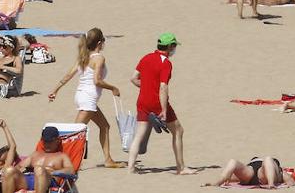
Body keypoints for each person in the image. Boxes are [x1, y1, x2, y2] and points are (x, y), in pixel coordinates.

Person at [46, 28, 125, 168]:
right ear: (100, 42)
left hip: (82, 96)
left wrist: (55, 90)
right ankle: (61, 161)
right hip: (88, 98)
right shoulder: (99, 58)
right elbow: (97, 81)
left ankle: (108, 159)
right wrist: (113, 88)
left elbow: (68, 75)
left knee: (105, 126)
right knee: (74, 132)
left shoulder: (84, 57)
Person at [128, 33, 192, 175]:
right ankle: (181, 167)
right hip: (157, 102)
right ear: (169, 47)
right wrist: (163, 109)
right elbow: (163, 87)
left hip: (142, 100)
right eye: (174, 46)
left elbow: (133, 78)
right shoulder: (166, 63)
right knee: (178, 131)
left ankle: (130, 167)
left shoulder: (146, 57)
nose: (175, 49)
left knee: (139, 134)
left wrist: (146, 87)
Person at [202, 157, 285, 187]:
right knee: (233, 161)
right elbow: (288, 179)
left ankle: (271, 184)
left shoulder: (276, 167)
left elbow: (286, 177)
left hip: (256, 172)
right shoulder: (273, 166)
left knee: (267, 159)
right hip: (253, 171)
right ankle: (218, 183)